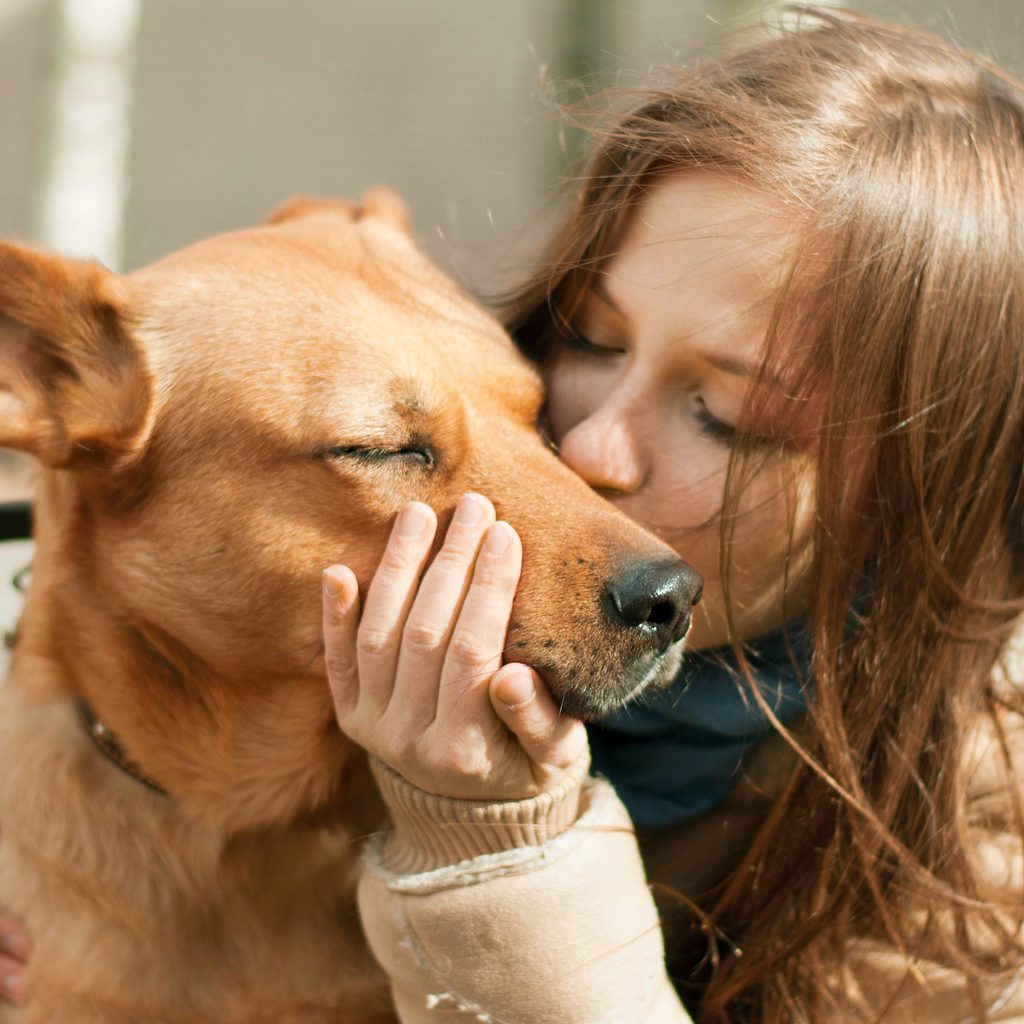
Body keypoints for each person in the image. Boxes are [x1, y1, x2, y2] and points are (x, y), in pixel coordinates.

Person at [3, 6, 1024, 1021]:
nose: (578, 456)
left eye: (729, 415)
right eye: (586, 340)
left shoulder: (979, 850)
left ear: (923, 488)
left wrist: (495, 846)